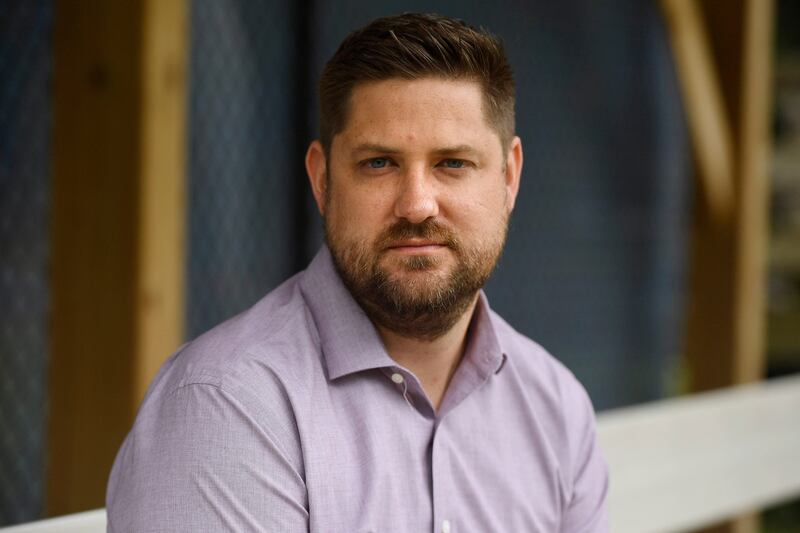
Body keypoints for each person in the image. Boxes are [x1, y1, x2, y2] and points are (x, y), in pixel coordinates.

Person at [107, 12, 608, 532]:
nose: (417, 205)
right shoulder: (224, 408)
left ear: (509, 177)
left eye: (452, 163)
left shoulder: (557, 411)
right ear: (323, 180)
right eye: (379, 163)